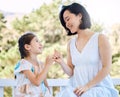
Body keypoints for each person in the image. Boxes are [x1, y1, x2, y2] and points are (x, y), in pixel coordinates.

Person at [53, 2, 119, 97]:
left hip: (99, 89)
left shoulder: (100, 38)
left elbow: (106, 68)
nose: (66, 24)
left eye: (68, 19)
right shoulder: (70, 44)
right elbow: (71, 72)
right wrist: (61, 62)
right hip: (78, 90)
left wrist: (87, 87)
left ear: (79, 15)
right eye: (64, 22)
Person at [14, 32, 53, 97]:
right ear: (27, 47)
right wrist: (47, 65)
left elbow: (44, 82)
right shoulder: (23, 64)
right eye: (37, 41)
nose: (41, 44)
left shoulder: (41, 64)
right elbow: (36, 82)